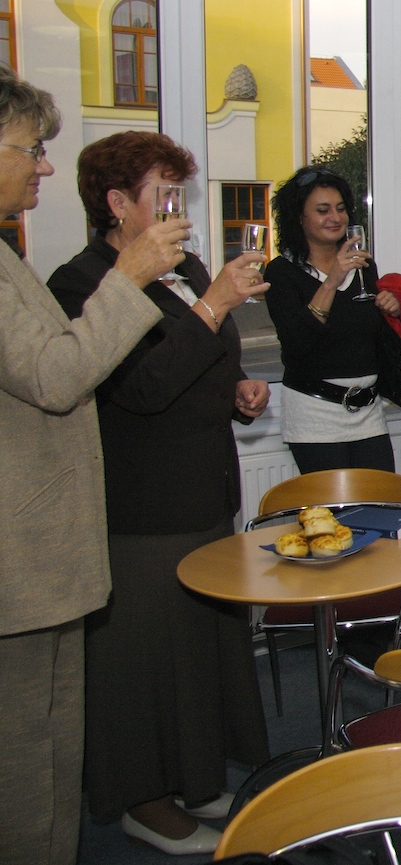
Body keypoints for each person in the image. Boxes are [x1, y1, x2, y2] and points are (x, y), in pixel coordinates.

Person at [47, 131, 271, 855]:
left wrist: (239, 390)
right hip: (141, 506)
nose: (180, 210)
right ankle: (145, 801)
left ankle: (197, 779)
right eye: (165, 195)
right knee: (143, 660)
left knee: (201, 651)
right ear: (117, 203)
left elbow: (202, 361)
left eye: (182, 193)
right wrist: (211, 305)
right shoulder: (81, 283)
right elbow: (140, 390)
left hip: (205, 486)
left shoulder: (187, 268)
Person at [0, 73, 182, 865]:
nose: (43, 164)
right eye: (30, 148)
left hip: (43, 557)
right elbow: (56, 376)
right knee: (26, 766)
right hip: (19, 561)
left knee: (49, 752)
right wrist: (131, 277)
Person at [264, 166, 401, 473]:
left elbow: (367, 334)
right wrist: (331, 281)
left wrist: (390, 309)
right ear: (299, 217)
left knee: (383, 498)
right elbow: (298, 342)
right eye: (322, 210)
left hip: (368, 412)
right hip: (314, 416)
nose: (335, 217)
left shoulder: (363, 266)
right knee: (331, 504)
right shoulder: (281, 272)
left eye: (341, 209)